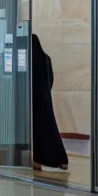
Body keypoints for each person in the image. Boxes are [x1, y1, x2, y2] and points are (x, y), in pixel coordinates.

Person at [30, 35, 69, 172]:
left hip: (33, 98)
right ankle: (61, 159)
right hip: (45, 97)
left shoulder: (30, 59)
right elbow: (51, 79)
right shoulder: (47, 58)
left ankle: (38, 160)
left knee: (37, 130)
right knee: (50, 127)